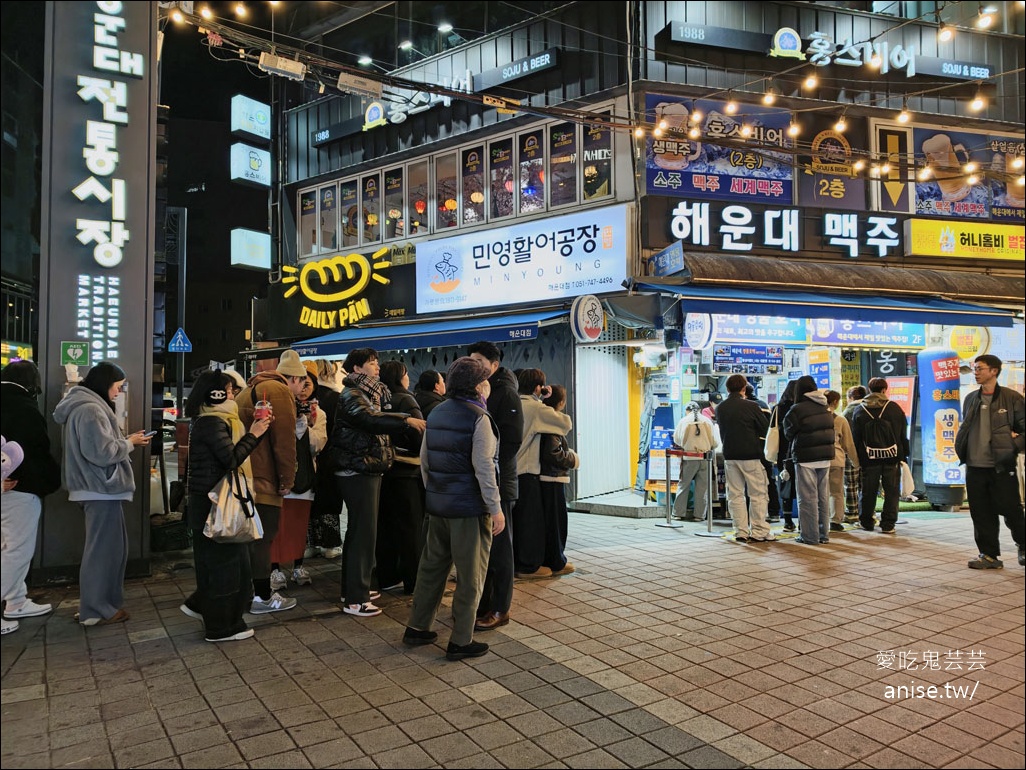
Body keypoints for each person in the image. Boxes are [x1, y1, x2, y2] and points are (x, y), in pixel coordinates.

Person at [403, 357, 504, 661]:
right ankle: (461, 640)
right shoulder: (479, 418)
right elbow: (484, 467)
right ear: (476, 386)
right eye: (484, 380)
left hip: (438, 506)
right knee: (471, 575)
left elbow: (425, 461)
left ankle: (418, 627)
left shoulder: (436, 413)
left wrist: (436, 493)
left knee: (431, 569)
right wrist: (495, 507)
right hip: (468, 510)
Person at [326, 348, 425, 617]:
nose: (377, 366)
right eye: (371, 363)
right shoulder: (353, 394)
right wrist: (406, 420)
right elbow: (369, 419)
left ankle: (354, 588)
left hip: (365, 467)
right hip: (358, 468)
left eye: (377, 362)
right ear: (357, 369)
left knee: (361, 531)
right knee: (363, 533)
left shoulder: (368, 392)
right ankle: (356, 600)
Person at [52, 361, 152, 626]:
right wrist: (129, 442)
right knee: (103, 552)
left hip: (95, 489)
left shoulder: (83, 405)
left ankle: (99, 606)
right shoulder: (91, 409)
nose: (118, 392)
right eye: (117, 386)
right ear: (105, 384)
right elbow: (101, 453)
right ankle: (96, 610)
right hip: (100, 488)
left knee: (108, 550)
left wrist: (126, 441)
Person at [180, 370, 269, 642]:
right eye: (229, 391)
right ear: (215, 394)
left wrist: (256, 431)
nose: (232, 395)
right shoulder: (212, 422)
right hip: (215, 504)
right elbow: (230, 459)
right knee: (226, 567)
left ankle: (201, 606)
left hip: (211, 501)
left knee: (222, 564)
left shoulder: (212, 420)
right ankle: (221, 627)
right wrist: (254, 433)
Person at [234, 350, 304, 614]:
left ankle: (247, 592)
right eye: (302, 383)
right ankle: (262, 597)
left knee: (250, 538)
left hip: (245, 475)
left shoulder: (249, 389)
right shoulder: (279, 391)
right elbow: (284, 441)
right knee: (263, 537)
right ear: (294, 379)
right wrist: (287, 479)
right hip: (264, 478)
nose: (302, 390)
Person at [2, 361, 62, 636]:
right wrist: (49, 481)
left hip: (7, 487)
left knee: (7, 547)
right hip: (19, 490)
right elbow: (36, 451)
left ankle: (16, 601)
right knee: (17, 550)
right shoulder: (23, 408)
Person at [467, 341, 522, 632]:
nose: (474, 365)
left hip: (500, 482)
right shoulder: (477, 389)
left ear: (494, 365)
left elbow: (512, 440)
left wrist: (493, 470)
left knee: (501, 550)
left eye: (479, 361)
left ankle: (501, 608)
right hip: (482, 481)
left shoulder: (506, 393)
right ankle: (482, 604)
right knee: (484, 550)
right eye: (471, 360)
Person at [954, 355, 1025, 569]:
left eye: (980, 368)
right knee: (981, 513)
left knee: (1012, 510)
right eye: (974, 368)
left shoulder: (1012, 398)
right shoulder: (970, 398)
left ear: (994, 371)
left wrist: (1012, 446)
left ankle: (1023, 545)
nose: (975, 372)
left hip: (1001, 466)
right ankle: (989, 555)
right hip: (974, 466)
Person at [513, 368, 574, 576]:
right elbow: (565, 424)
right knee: (530, 522)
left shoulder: (513, 402)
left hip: (509, 470)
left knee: (517, 521)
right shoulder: (536, 408)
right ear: (539, 388)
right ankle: (528, 566)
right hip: (526, 471)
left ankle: (520, 563)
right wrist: (545, 400)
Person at [270, 365, 326, 591]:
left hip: (305, 477)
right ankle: (274, 568)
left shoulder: (318, 413)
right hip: (279, 476)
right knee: (277, 524)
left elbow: (318, 445)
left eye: (307, 384)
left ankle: (298, 565)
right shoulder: (278, 408)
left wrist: (304, 424)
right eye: (299, 382)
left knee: (298, 524)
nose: (302, 388)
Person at [377, 359, 427, 594]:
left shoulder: (377, 399)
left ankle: (386, 577)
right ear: (400, 377)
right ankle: (413, 580)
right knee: (410, 529)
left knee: (385, 526)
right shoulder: (406, 400)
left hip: (382, 471)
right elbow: (419, 435)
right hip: (406, 472)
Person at [715, 374, 772, 543]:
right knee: (758, 494)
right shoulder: (752, 406)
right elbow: (765, 429)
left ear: (727, 389)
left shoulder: (720, 408)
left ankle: (740, 531)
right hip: (751, 455)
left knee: (735, 495)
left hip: (730, 456)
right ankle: (759, 531)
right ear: (744, 388)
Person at [851, 377, 910, 534]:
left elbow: (856, 437)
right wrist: (904, 454)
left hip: (869, 458)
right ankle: (888, 524)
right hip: (892, 456)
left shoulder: (859, 410)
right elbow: (902, 434)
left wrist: (859, 457)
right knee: (891, 491)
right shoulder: (894, 408)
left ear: (869, 390)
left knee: (868, 490)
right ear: (884, 390)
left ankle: (866, 522)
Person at [783, 377, 835, 545]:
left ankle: (809, 536)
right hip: (825, 458)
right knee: (823, 498)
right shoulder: (825, 406)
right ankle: (823, 535)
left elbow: (788, 433)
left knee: (807, 498)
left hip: (806, 458)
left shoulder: (797, 409)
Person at [539, 385, 579, 572]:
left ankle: (551, 559)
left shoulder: (541, 419)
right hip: (553, 479)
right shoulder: (553, 424)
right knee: (556, 523)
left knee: (550, 522)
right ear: (561, 403)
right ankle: (556, 561)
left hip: (545, 478)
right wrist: (573, 459)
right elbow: (553, 453)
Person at [308, 359, 345, 559]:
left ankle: (312, 542)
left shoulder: (306, 397)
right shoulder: (336, 398)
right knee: (330, 500)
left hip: (310, 457)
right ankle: (330, 544)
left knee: (312, 500)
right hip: (330, 456)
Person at [672, 401, 718, 521]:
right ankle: (699, 515)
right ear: (699, 410)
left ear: (687, 411)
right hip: (705, 458)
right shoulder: (707, 421)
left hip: (689, 458)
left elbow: (677, 439)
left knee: (684, 485)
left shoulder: (683, 421)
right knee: (702, 488)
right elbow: (715, 442)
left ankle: (678, 513)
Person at [825, 390, 859, 532]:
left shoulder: (815, 418)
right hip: (836, 459)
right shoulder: (839, 420)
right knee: (836, 492)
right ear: (835, 402)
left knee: (820, 492)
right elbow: (848, 444)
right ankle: (835, 521)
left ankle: (821, 519)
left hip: (818, 460)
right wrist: (856, 462)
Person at [772, 380, 800, 532]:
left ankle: (788, 522)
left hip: (782, 452)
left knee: (785, 485)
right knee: (803, 486)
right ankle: (803, 521)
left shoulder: (777, 408)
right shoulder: (801, 407)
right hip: (800, 450)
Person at [842, 385, 867, 523]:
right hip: (868, 453)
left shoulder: (847, 412)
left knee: (850, 483)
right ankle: (868, 511)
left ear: (850, 397)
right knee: (866, 484)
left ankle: (852, 512)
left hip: (851, 452)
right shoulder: (869, 409)